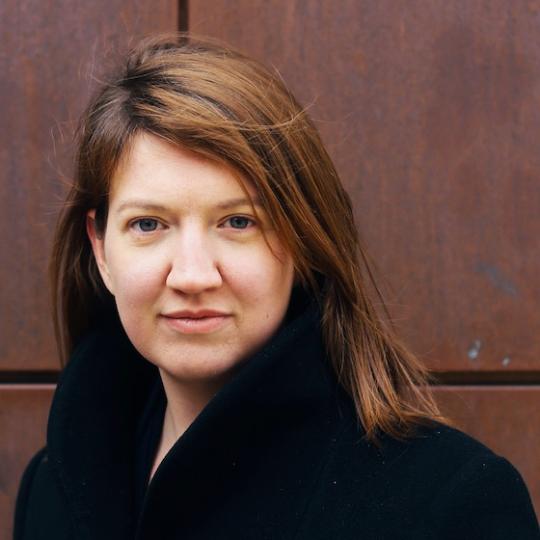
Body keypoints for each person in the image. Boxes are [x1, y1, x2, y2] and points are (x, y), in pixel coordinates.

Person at [14, 34, 539, 540]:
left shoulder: (452, 504)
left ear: (302, 240)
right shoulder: (52, 491)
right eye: (149, 224)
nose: (193, 275)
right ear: (102, 250)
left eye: (238, 222)